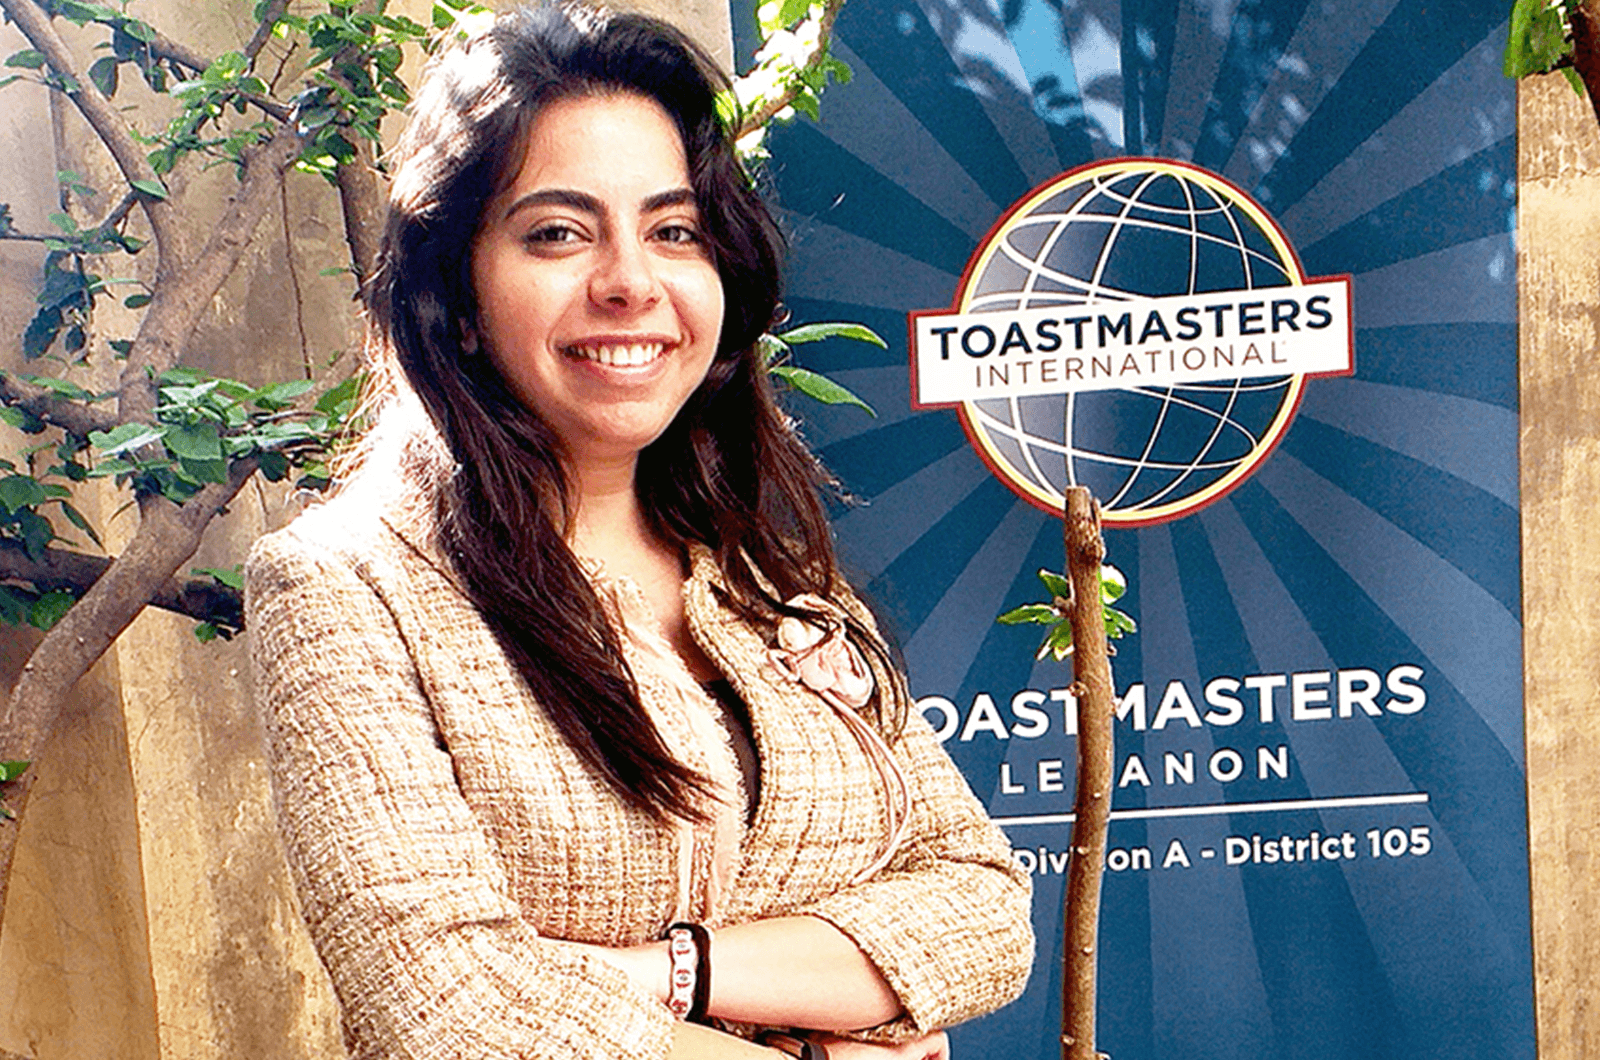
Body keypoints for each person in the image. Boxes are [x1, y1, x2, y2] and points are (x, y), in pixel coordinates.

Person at [244, 5, 1034, 1059]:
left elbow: (981, 906)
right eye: (558, 233)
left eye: (675, 231)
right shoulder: (345, 588)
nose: (629, 282)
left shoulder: (761, 573)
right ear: (459, 295)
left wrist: (665, 971)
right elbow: (446, 1010)